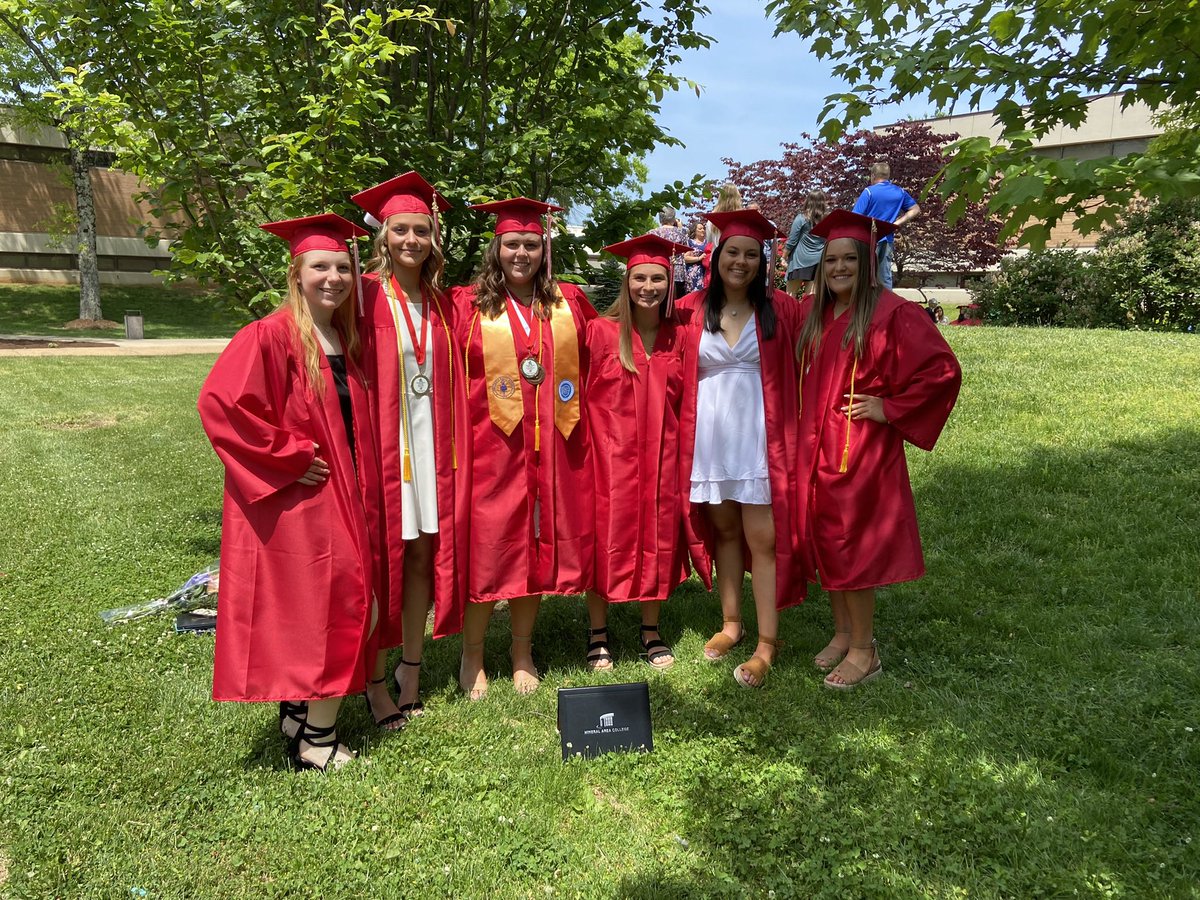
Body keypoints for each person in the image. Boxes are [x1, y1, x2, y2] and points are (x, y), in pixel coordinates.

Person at [197, 213, 379, 771]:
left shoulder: (342, 335)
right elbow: (222, 405)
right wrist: (290, 458)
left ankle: (297, 713)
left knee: (318, 606)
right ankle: (317, 742)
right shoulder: (271, 335)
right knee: (341, 605)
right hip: (305, 495)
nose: (334, 278)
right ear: (296, 273)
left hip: (345, 486)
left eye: (343, 268)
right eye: (320, 266)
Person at [795, 209, 961, 690]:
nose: (839, 268)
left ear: (867, 262)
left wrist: (889, 408)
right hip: (818, 441)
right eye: (831, 261)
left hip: (860, 448)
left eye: (849, 259)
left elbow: (942, 371)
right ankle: (843, 633)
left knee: (852, 543)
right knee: (827, 536)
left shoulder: (892, 313)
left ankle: (865, 651)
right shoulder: (818, 313)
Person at [450, 197, 597, 698]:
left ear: (545, 249)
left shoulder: (567, 303)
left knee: (533, 549)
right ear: (496, 248)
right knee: (488, 548)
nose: (521, 253)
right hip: (491, 450)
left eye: (531, 244)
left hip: (551, 450)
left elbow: (602, 351)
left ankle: (521, 652)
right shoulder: (467, 305)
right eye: (512, 243)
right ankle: (472, 655)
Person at [350, 171, 470, 728]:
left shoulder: (445, 304)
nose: (411, 240)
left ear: (433, 238)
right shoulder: (363, 295)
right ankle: (374, 681)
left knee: (422, 554)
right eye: (400, 230)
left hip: (433, 446)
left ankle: (411, 669)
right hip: (385, 445)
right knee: (384, 561)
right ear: (384, 236)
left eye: (421, 231)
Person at [677, 208, 808, 689]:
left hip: (759, 437)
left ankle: (767, 642)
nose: (741, 261)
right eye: (733, 252)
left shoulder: (782, 309)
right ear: (716, 256)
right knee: (726, 531)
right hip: (710, 438)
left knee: (763, 538)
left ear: (762, 261)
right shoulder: (690, 308)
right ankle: (732, 623)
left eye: (751, 254)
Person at [584, 234, 693, 671]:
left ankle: (650, 629)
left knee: (658, 536)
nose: (648, 287)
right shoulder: (600, 332)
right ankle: (598, 632)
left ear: (670, 282)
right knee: (603, 538)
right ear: (626, 282)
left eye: (657, 279)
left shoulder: (678, 336)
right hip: (609, 458)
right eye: (640, 278)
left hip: (664, 456)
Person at [852, 162, 921, 290]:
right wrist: (895, 224)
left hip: (867, 239)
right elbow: (915, 209)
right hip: (887, 238)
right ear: (888, 176)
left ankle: (864, 301)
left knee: (864, 275)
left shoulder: (869, 192)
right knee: (884, 276)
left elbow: (854, 217)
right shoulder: (899, 192)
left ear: (873, 175)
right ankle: (887, 302)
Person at [784, 189, 828, 297]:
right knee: (812, 298)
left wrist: (783, 256)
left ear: (808, 201)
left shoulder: (801, 219)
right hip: (818, 261)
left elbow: (792, 241)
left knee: (790, 296)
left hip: (799, 261)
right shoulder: (826, 220)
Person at [651, 206, 690, 299]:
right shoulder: (682, 232)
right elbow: (686, 250)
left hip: (659, 269)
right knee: (678, 300)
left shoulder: (652, 233)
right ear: (673, 218)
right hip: (678, 272)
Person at [683, 220, 708, 294]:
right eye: (700, 229)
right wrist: (699, 258)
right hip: (693, 273)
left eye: (703, 228)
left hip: (705, 272)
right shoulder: (690, 242)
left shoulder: (707, 242)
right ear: (695, 231)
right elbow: (685, 258)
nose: (703, 230)